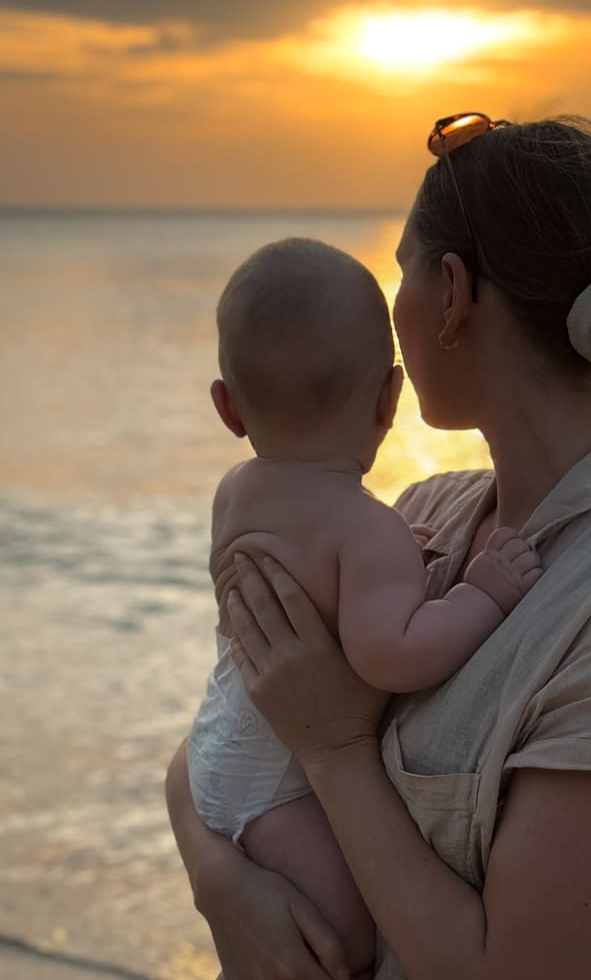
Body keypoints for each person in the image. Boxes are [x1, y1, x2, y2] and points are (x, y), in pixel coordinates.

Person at [166, 113, 591, 980]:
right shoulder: (425, 514)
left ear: (449, 293)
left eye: (398, 274)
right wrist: (219, 880)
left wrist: (335, 752)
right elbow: (224, 733)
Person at [186, 236, 543, 978]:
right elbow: (393, 655)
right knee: (343, 943)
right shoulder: (369, 529)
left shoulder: (237, 490)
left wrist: (377, 565)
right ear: (389, 399)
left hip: (217, 752)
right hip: (277, 787)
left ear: (227, 407)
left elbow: (300, 579)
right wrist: (483, 594)